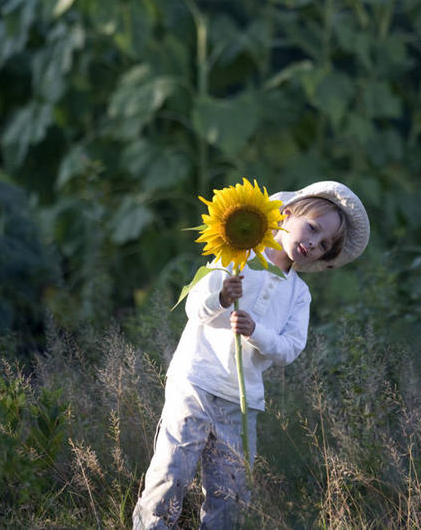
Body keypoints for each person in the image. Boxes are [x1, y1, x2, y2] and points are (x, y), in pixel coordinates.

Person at [132, 180, 370, 530]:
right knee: (171, 471)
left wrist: (256, 332)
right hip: (196, 379)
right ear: (286, 215)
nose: (313, 243)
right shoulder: (238, 254)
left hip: (241, 401)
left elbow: (290, 349)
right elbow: (195, 307)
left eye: (324, 245)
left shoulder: (298, 295)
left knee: (230, 492)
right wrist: (222, 298)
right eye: (312, 228)